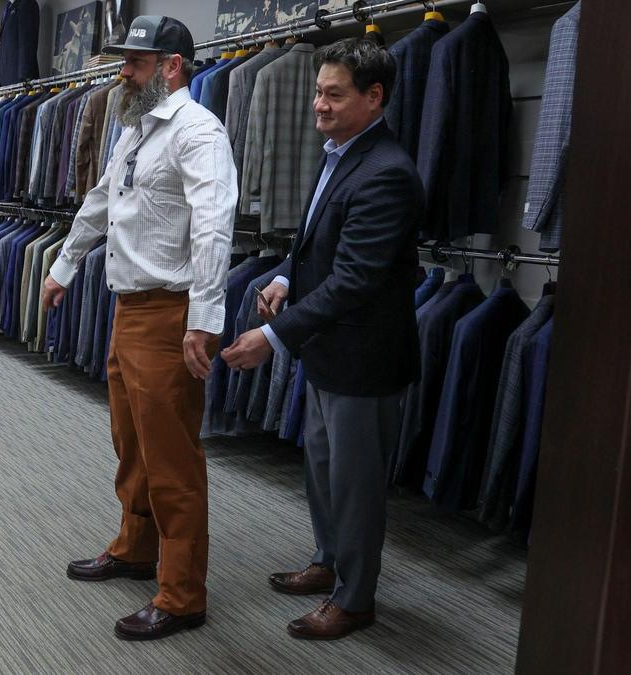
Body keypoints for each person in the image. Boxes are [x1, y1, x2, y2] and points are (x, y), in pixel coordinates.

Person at [40, 15, 237, 642]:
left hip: (170, 313)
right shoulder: (136, 128)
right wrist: (65, 263)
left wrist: (204, 321)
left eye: (135, 62)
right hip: (127, 308)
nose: (123, 72)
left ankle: (182, 594)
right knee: (130, 441)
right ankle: (134, 546)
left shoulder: (199, 134)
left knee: (172, 456)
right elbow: (103, 197)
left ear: (172, 66)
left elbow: (214, 229)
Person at [222, 37, 422, 640]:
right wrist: (285, 276)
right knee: (323, 469)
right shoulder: (338, 154)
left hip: (364, 358)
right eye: (318, 92)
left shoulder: (387, 174)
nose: (319, 105)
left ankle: (355, 599)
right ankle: (329, 562)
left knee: (355, 486)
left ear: (374, 97)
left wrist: (273, 337)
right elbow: (318, 246)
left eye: (334, 95)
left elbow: (356, 279)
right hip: (329, 352)